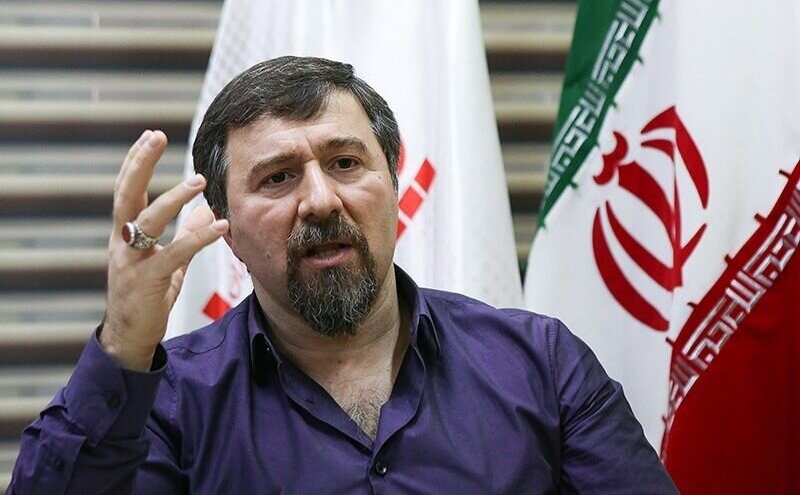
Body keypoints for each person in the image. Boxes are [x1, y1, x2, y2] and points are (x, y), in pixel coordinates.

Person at [10, 56, 677, 494]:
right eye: (278, 177)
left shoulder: (539, 363)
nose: (321, 200)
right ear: (226, 228)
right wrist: (123, 347)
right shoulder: (171, 402)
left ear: (395, 185)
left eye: (346, 163)